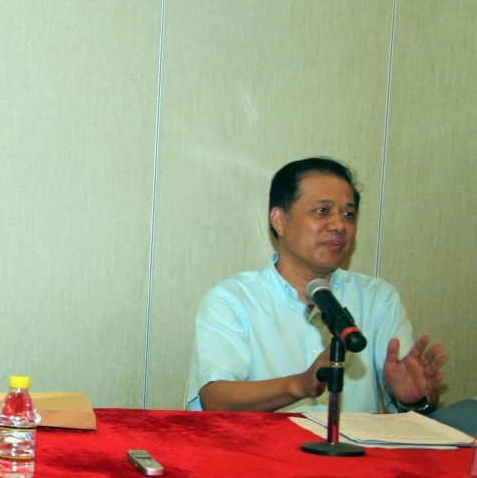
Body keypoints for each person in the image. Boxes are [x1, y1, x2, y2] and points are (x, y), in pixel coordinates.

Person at [187, 156, 446, 413]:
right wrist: (299, 385)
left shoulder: (378, 298)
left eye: (349, 214)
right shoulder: (233, 300)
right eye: (322, 211)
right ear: (279, 220)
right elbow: (215, 398)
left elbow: (414, 401)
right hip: (266, 442)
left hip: (354, 442)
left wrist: (413, 399)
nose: (339, 225)